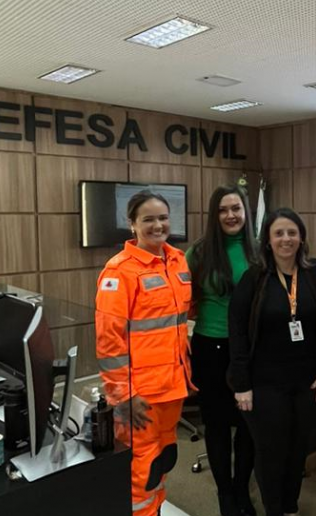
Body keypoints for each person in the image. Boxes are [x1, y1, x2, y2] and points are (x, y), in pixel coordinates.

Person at [228, 208, 316, 516]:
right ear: (267, 240)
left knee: (297, 448)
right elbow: (237, 330)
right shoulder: (255, 278)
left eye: (292, 232)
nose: (286, 239)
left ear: (301, 237)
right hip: (264, 383)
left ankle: (290, 506)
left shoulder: (315, 275)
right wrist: (242, 385)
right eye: (278, 233)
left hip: (308, 381)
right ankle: (274, 509)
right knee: (270, 452)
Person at [95, 190, 193, 516]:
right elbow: (109, 344)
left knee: (164, 459)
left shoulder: (177, 261)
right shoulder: (118, 271)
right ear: (132, 224)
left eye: (163, 218)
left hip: (173, 386)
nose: (157, 225)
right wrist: (124, 394)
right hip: (139, 395)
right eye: (148, 219)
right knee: (142, 470)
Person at [186, 186, 257, 516]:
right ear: (214, 215)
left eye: (237, 209)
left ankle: (242, 489)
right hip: (210, 346)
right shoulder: (199, 253)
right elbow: (185, 301)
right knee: (215, 424)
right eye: (224, 210)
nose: (231, 215)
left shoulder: (259, 250)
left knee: (247, 424)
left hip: (251, 349)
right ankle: (225, 493)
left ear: (246, 212)